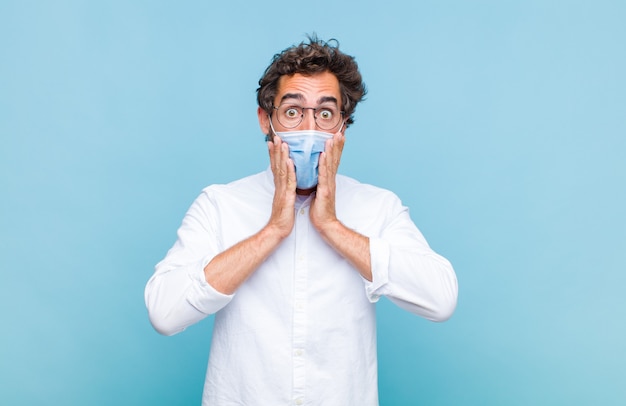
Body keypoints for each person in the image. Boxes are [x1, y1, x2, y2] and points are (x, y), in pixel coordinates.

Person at [145, 36, 458, 405]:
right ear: (267, 119)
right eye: (292, 112)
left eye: (325, 114)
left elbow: (441, 300)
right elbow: (165, 312)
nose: (309, 129)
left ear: (343, 127)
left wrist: (332, 227)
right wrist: (273, 229)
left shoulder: (378, 207)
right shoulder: (219, 205)